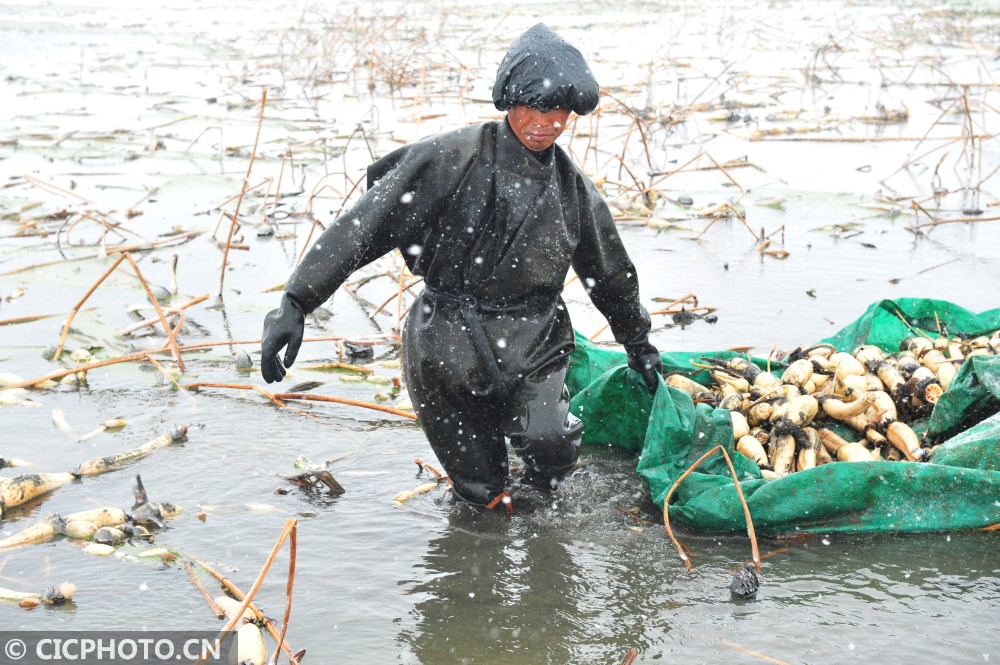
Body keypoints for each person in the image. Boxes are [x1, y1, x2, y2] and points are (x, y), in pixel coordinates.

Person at [261, 23, 662, 506]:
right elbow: (362, 228)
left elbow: (610, 271)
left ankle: (540, 518)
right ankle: (483, 529)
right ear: (509, 100)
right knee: (480, 496)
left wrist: (636, 340)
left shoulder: (571, 190)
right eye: (538, 106)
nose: (549, 122)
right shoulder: (448, 160)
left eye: (562, 112)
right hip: (445, 339)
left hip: (535, 336)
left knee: (550, 444)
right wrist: (296, 300)